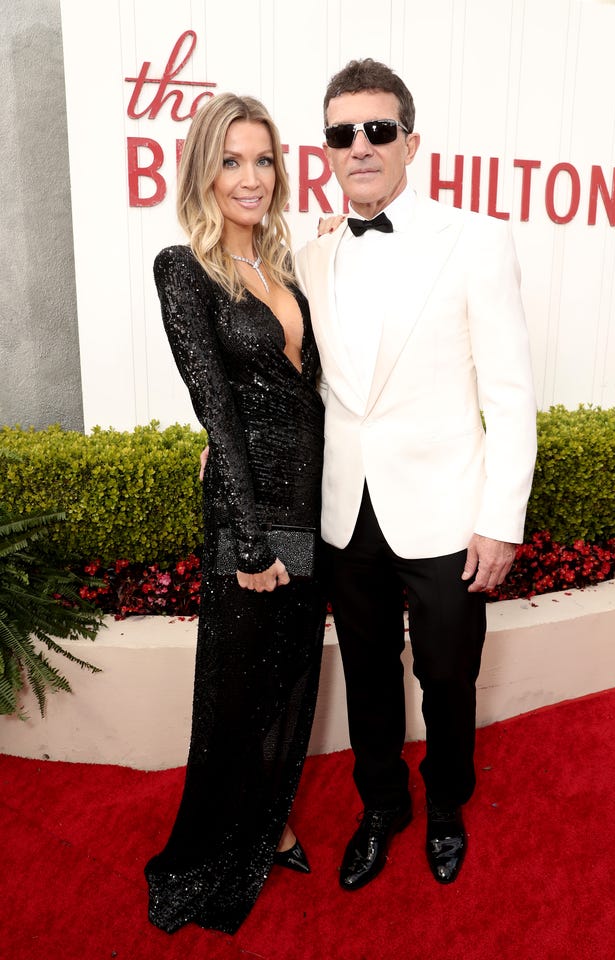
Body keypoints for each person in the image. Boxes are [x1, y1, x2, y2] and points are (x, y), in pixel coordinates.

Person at [295, 59, 538, 891]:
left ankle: (445, 807)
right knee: (365, 676)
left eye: (377, 129)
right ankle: (381, 806)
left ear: (410, 142)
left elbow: (509, 394)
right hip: (346, 508)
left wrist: (502, 519)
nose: (359, 145)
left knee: (446, 675)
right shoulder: (312, 253)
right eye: (341, 133)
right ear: (326, 149)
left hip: (445, 511)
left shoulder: (475, 239)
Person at [144, 93, 326, 935]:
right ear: (204, 171)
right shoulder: (184, 268)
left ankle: (268, 820)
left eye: (263, 160)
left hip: (310, 506)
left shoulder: (284, 268)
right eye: (232, 160)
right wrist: (248, 539)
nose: (250, 178)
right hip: (249, 514)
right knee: (230, 697)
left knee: (288, 681)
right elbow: (215, 407)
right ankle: (207, 854)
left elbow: (309, 399)